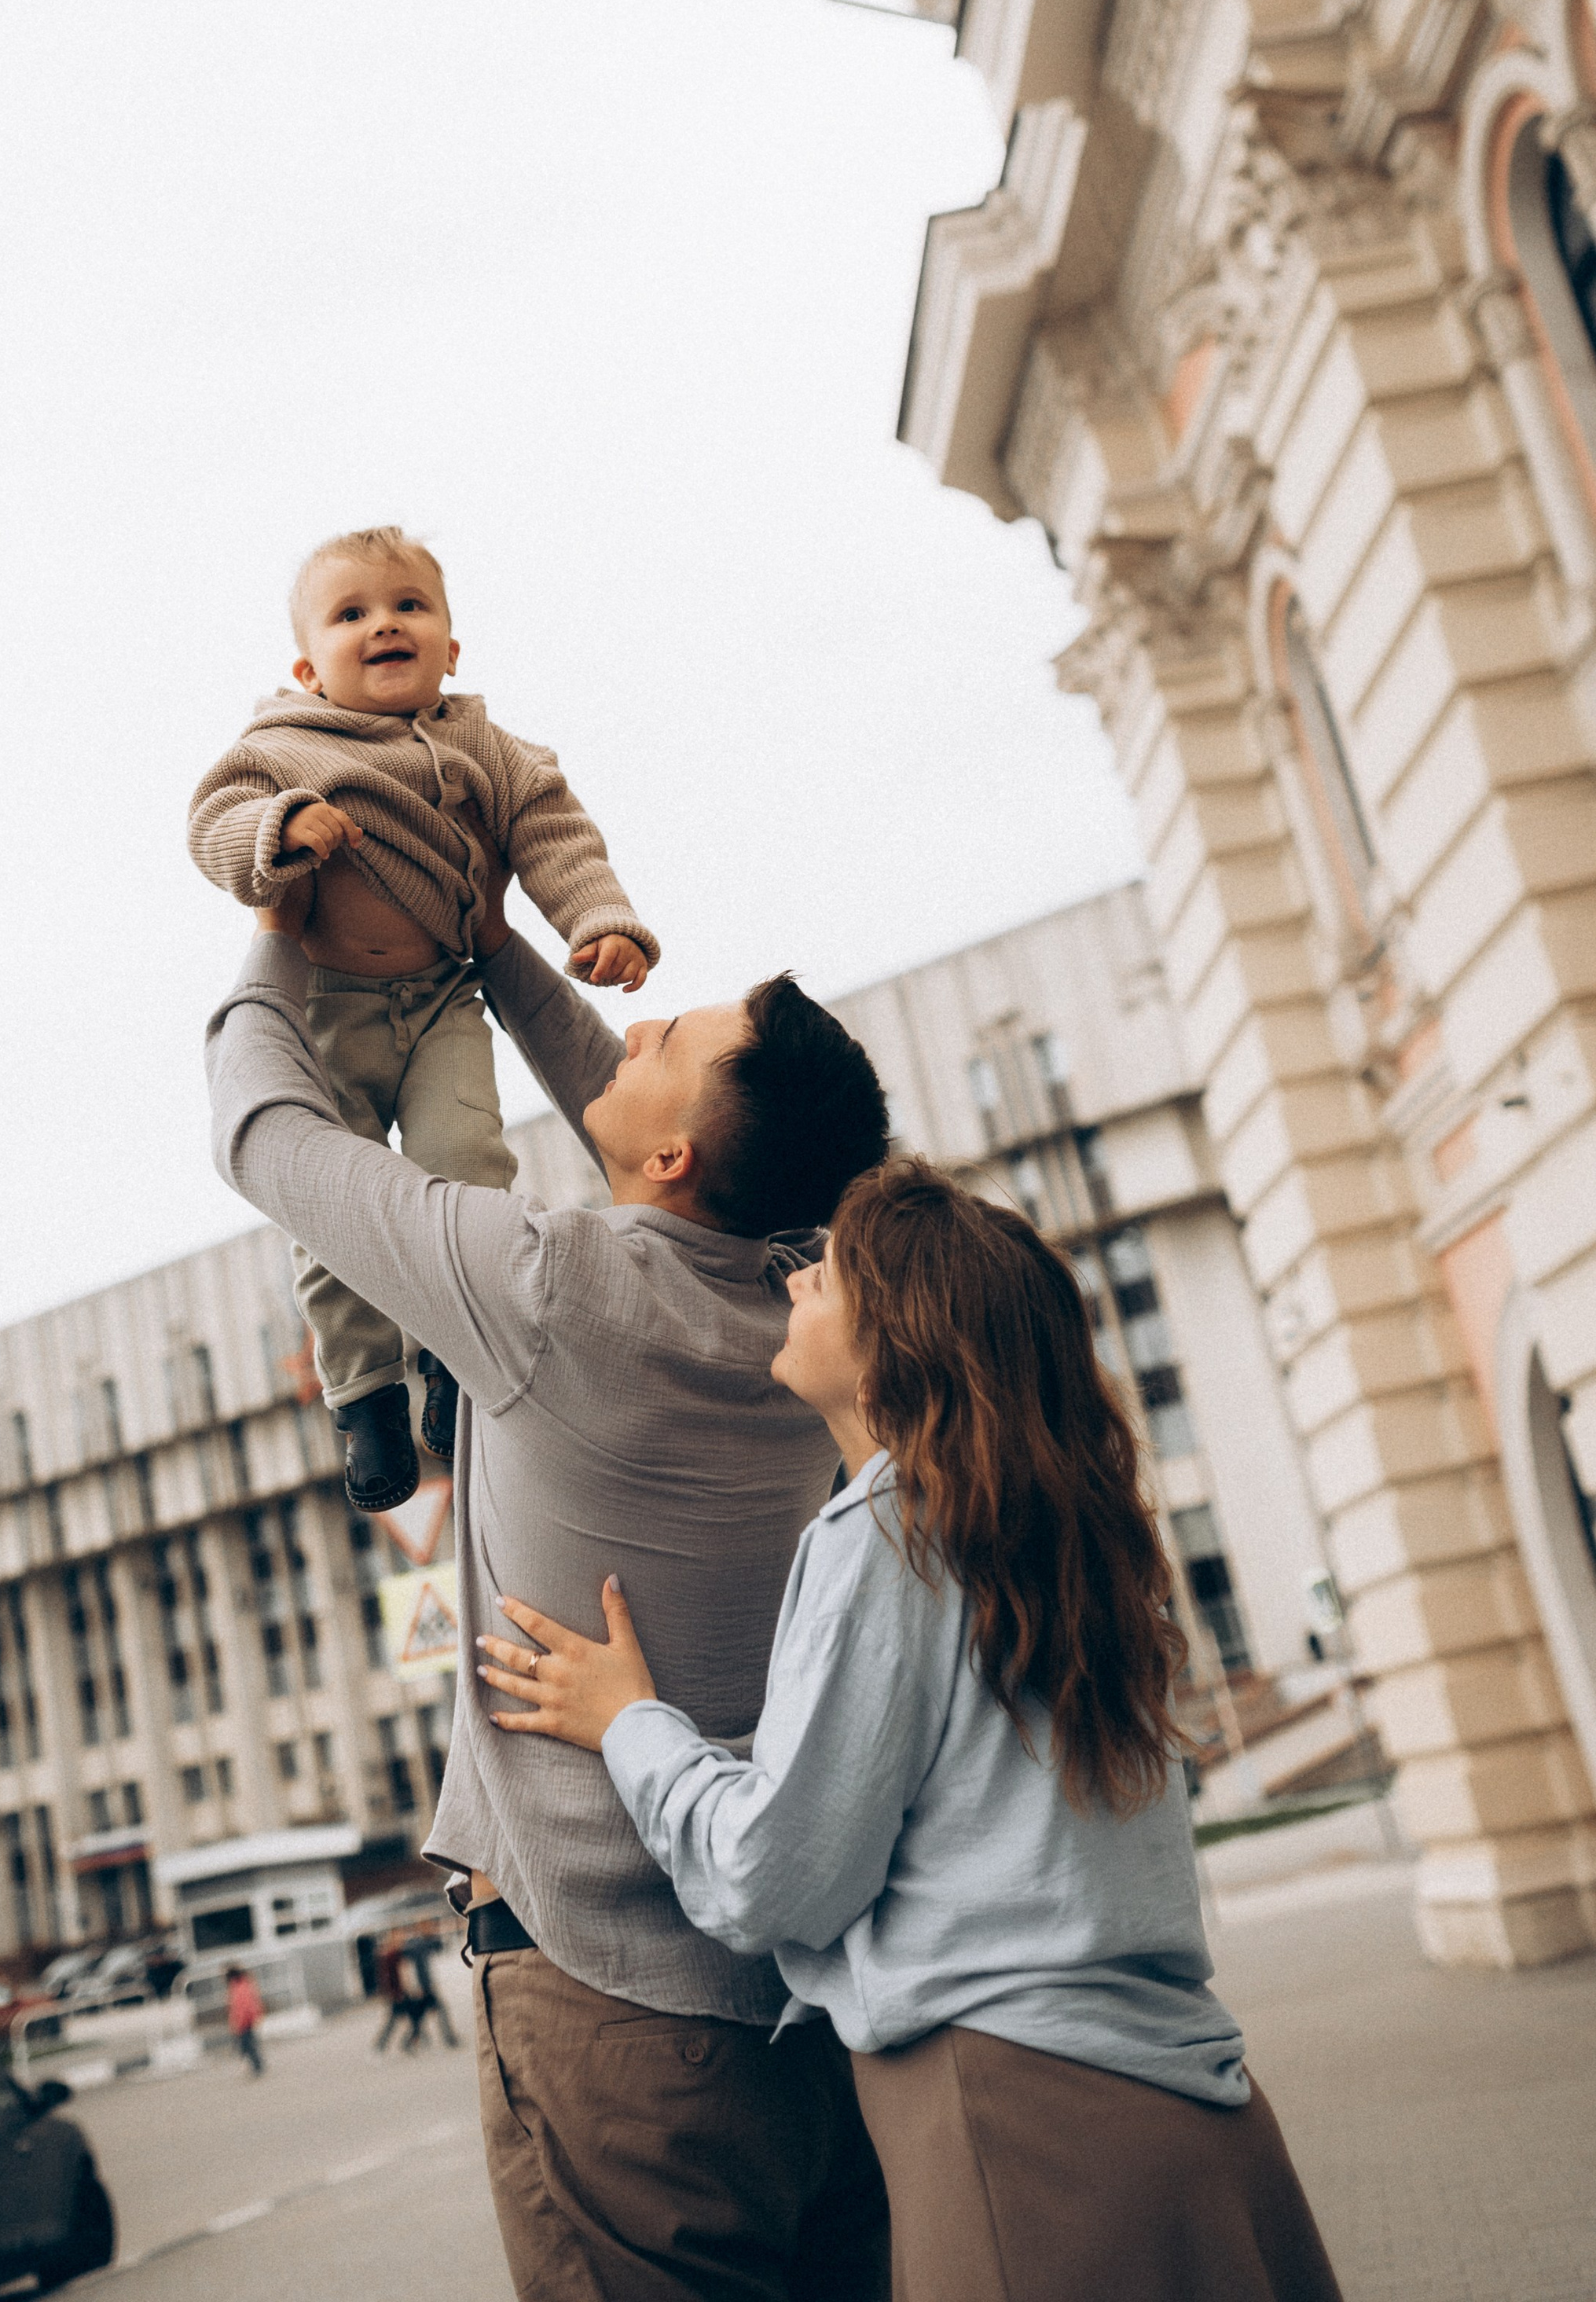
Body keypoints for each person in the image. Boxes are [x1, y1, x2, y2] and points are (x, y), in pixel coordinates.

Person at [205, 829, 893, 2299]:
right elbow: (628, 1111)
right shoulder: (804, 1295)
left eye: (676, 1032)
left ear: (675, 1158)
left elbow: (263, 1131)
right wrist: (491, 930)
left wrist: (279, 922)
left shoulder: (548, 1291)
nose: (638, 1020)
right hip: (812, 2010)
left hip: (619, 2016)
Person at [478, 1157, 1346, 2302]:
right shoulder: (1053, 1539)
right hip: (1196, 2126)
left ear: (901, 1336)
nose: (793, 1289)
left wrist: (634, 1726)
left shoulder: (885, 1532)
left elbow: (773, 1878)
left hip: (1018, 2137)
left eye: (827, 1277)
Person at [189, 525, 655, 1512]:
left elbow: (555, 833)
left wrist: (598, 918)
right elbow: (213, 824)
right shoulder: (279, 749)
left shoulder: (490, 748)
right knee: (337, 1211)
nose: (384, 624)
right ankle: (361, 1388)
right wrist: (275, 830)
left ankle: (450, 1353)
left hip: (444, 999)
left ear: (451, 645)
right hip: (327, 1014)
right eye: (352, 613)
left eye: (409, 606)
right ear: (308, 666)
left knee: (467, 1167)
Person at [224, 1962, 266, 2078]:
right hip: (246, 2020)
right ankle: (257, 2065)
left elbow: (241, 2007)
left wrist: (237, 2023)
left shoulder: (238, 1987)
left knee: (246, 2045)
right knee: (249, 2043)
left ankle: (257, 2066)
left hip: (243, 2021)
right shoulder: (244, 1984)